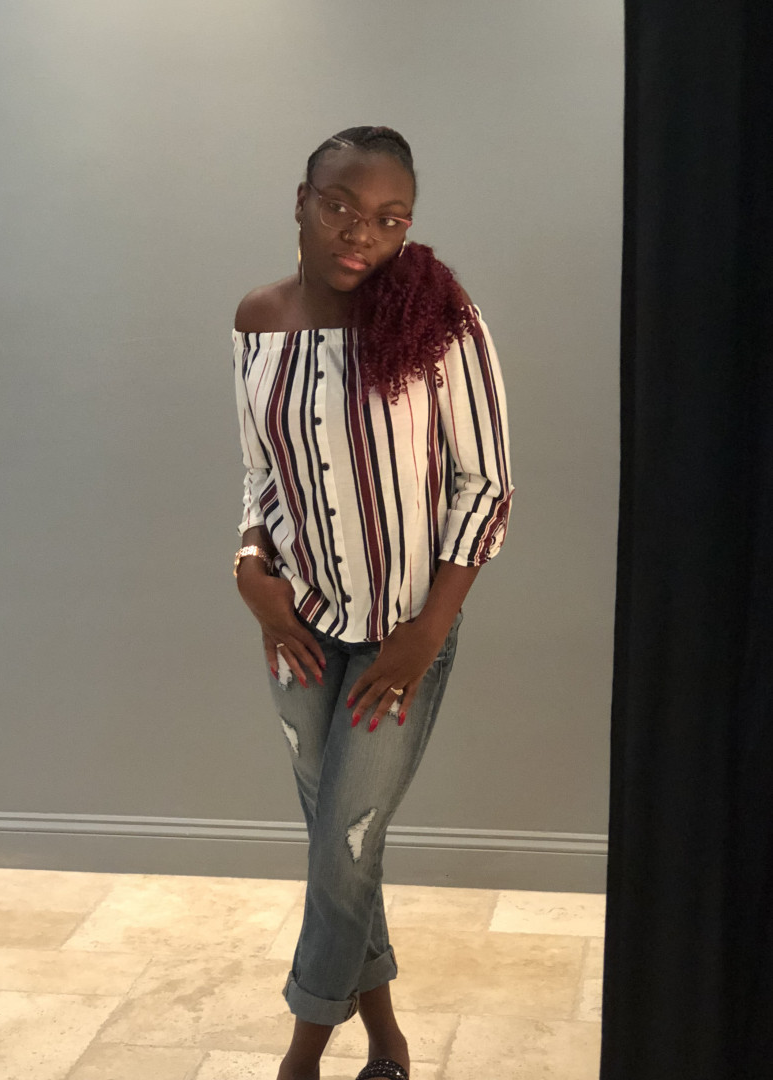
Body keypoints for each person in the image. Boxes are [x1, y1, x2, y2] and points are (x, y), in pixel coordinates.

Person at [232, 126, 513, 1080]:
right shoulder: (257, 320)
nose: (363, 234)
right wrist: (249, 568)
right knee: (340, 848)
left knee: (344, 844)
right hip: (296, 630)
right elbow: (259, 472)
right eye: (342, 208)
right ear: (302, 201)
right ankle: (387, 1041)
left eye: (391, 219)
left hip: (402, 635)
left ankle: (300, 1058)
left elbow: (486, 485)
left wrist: (428, 633)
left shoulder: (440, 321)